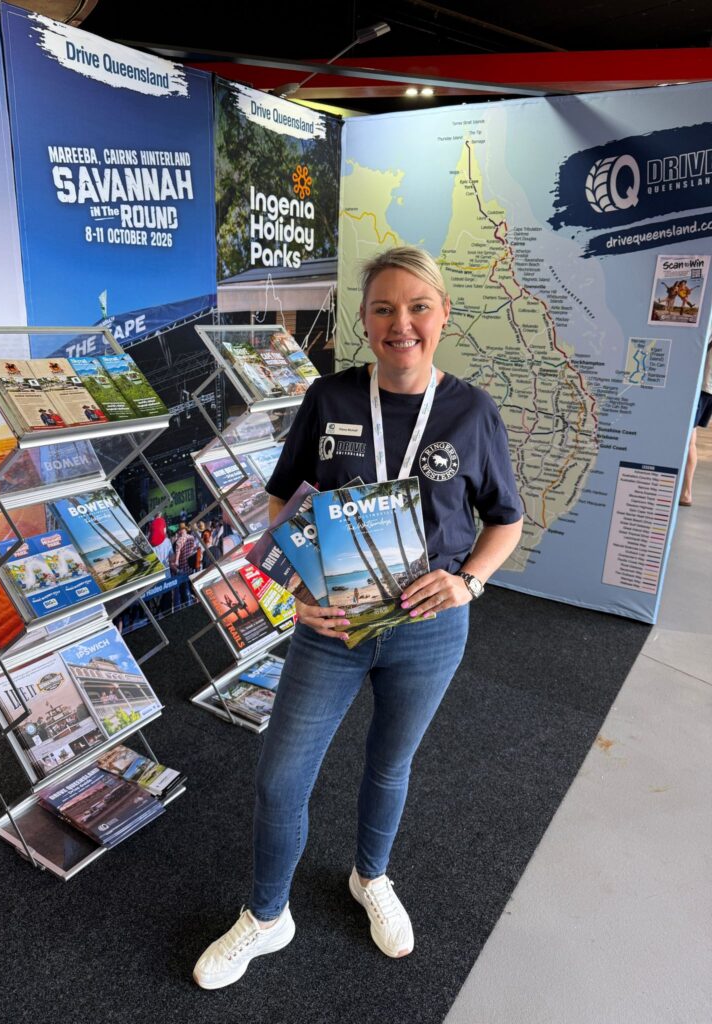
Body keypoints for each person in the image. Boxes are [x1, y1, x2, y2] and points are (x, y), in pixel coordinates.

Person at [192, 246, 524, 990]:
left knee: (389, 763)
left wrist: (468, 584)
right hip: (333, 632)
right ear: (364, 319)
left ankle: (371, 877)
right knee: (280, 778)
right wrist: (300, 591)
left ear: (441, 315)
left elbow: (506, 521)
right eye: (382, 308)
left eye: (416, 307)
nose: (399, 323)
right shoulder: (330, 397)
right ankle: (267, 917)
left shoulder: (472, 411)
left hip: (429, 631)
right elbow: (282, 499)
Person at [680, 340, 712, 506]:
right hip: (705, 390)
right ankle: (685, 491)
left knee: (688, 441)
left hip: (702, 390)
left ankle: (686, 493)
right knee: (690, 439)